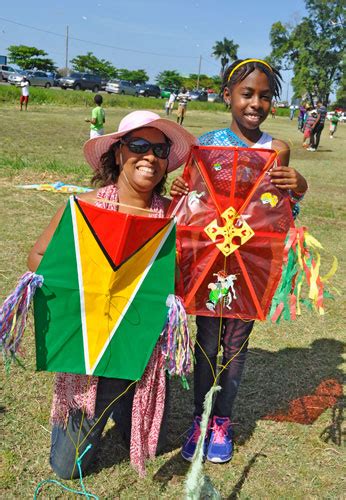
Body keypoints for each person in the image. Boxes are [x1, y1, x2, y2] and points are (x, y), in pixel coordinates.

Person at [27, 110, 196, 479]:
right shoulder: (83, 208)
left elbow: (189, 278)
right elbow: (38, 257)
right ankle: (101, 409)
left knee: (152, 439)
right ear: (119, 153)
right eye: (138, 145)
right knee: (67, 467)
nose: (150, 156)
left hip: (142, 350)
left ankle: (127, 407)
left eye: (160, 148)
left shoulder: (172, 217)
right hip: (91, 353)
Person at [170, 58, 308, 464]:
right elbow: (196, 201)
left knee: (235, 345)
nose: (256, 103)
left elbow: (278, 211)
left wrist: (298, 187)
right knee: (207, 341)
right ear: (227, 96)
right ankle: (199, 419)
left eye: (265, 96)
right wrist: (182, 188)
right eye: (247, 94)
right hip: (211, 260)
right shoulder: (207, 143)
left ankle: (221, 421)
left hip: (251, 264)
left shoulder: (277, 149)